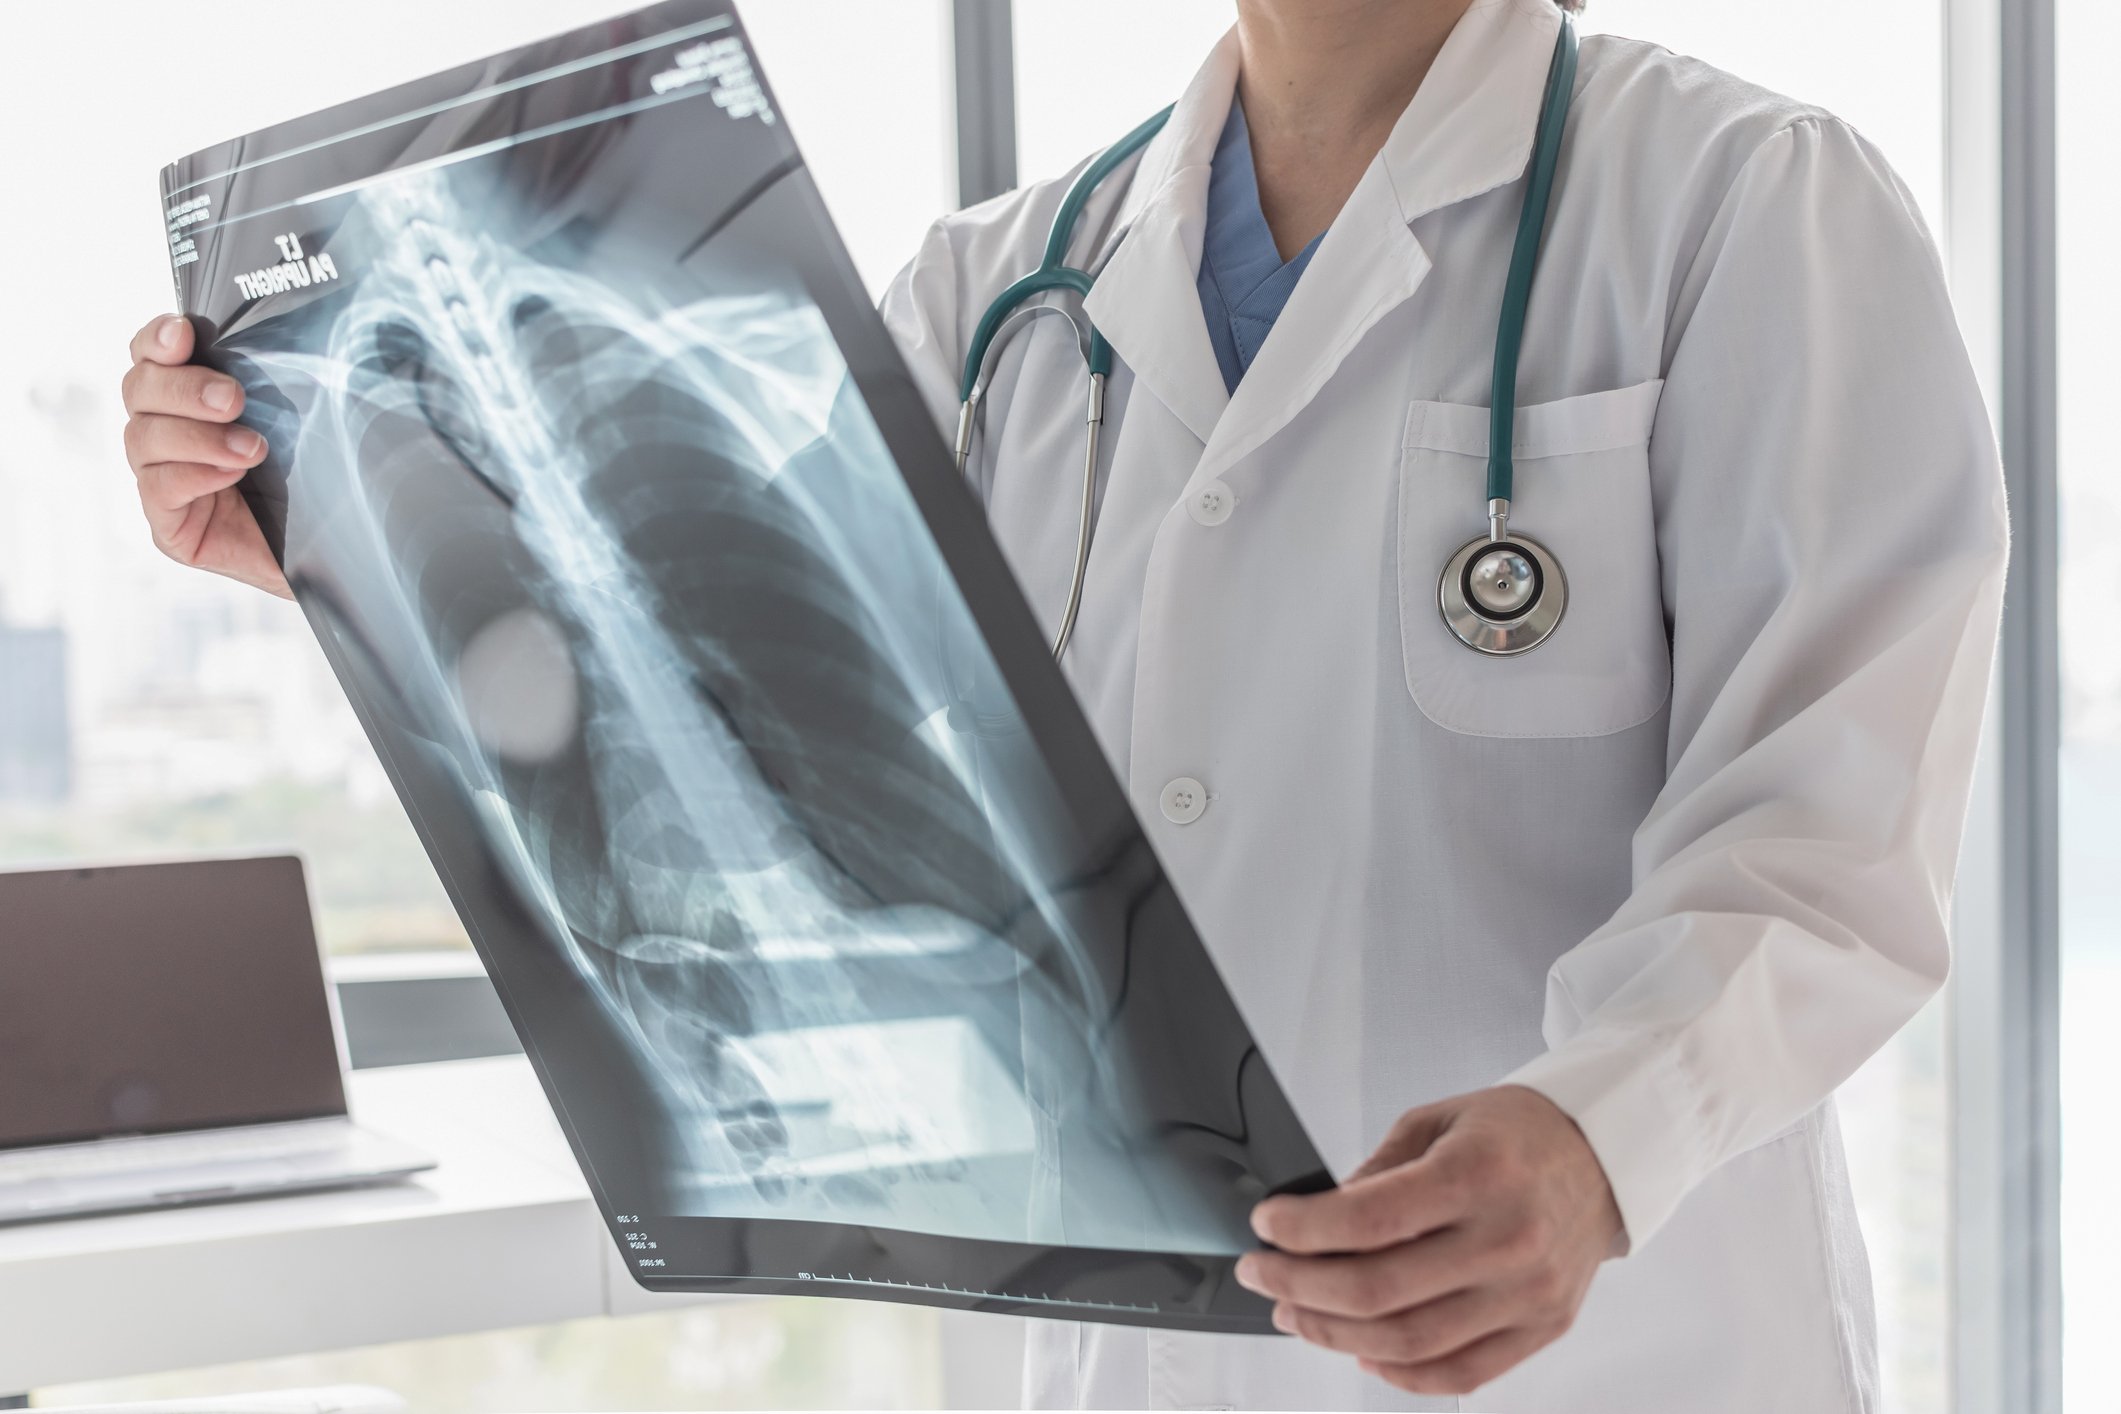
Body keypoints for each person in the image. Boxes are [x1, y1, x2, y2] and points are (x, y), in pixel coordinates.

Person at [120, 0, 2008, 1407]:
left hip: (1618, 1355)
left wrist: (1602, 1139)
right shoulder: (991, 292)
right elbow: (719, 714)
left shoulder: (1747, 207)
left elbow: (1826, 833)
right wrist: (331, 545)